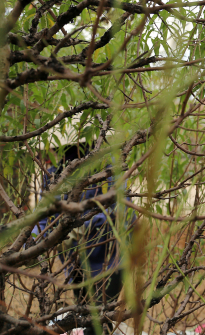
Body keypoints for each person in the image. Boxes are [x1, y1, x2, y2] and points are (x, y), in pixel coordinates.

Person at [32, 142, 133, 335]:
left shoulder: (108, 165)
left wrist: (83, 225)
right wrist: (34, 241)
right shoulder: (54, 172)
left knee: (100, 319)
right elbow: (43, 215)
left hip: (109, 259)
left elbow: (122, 209)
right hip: (74, 261)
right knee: (84, 312)